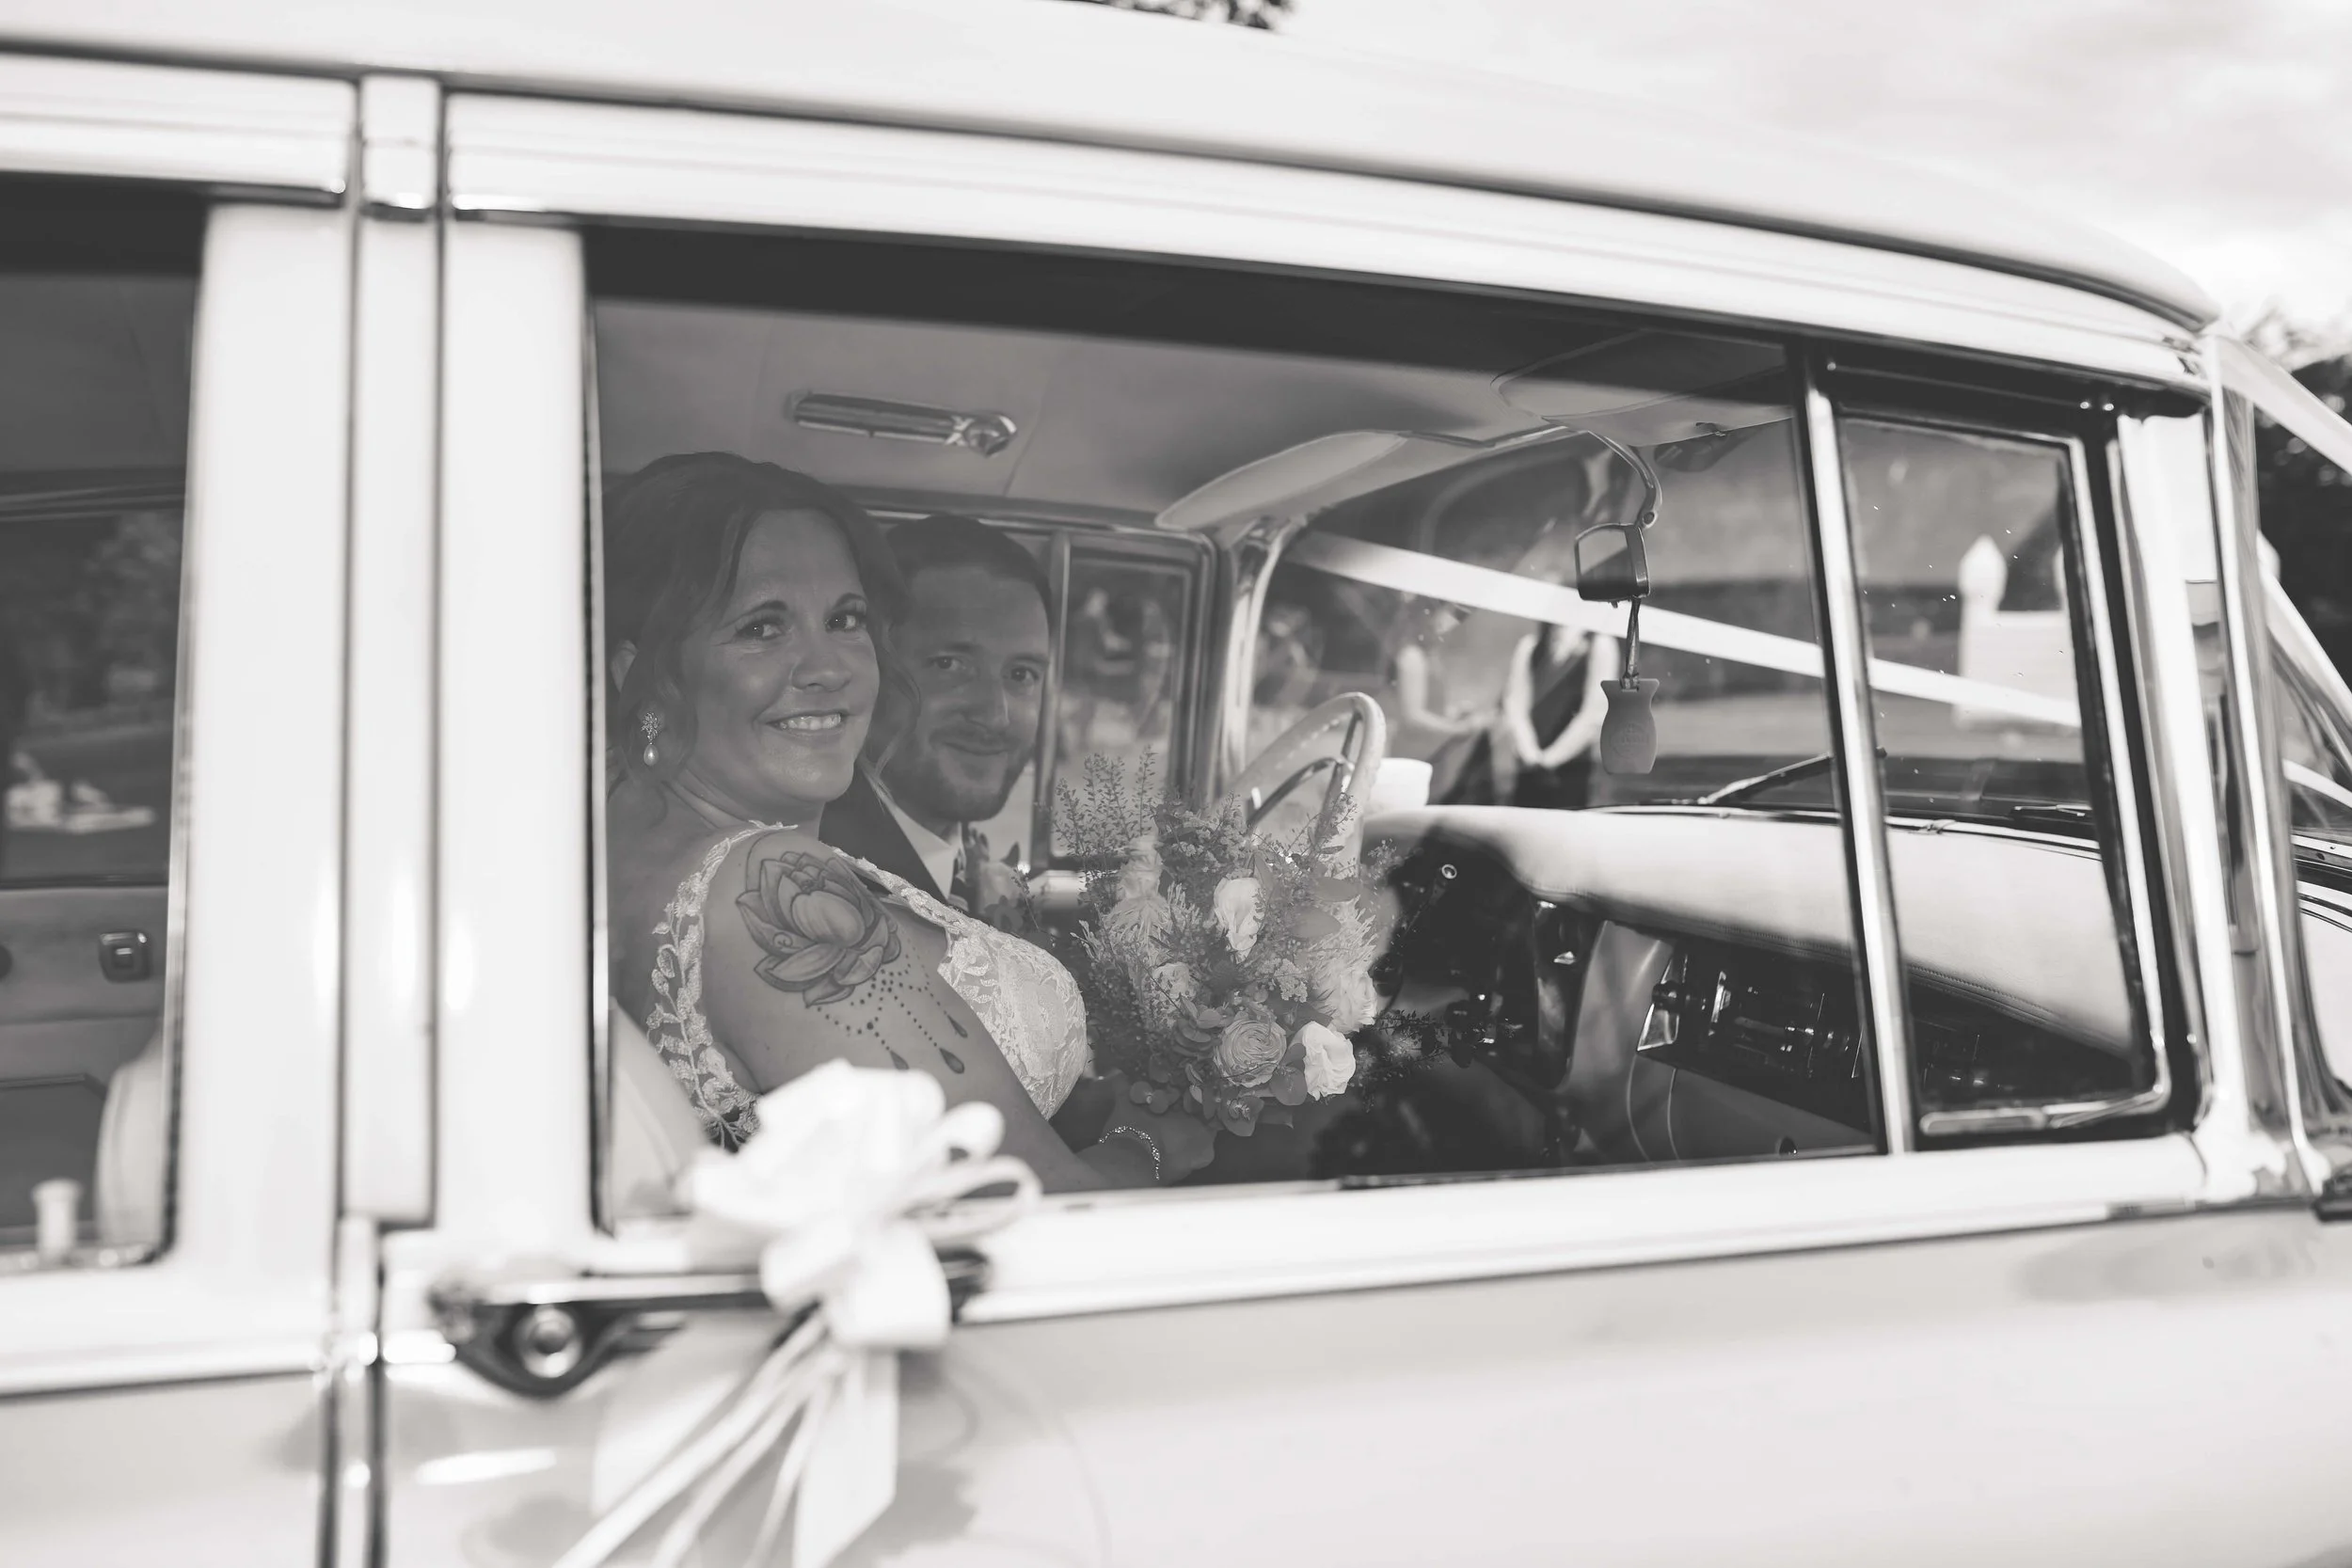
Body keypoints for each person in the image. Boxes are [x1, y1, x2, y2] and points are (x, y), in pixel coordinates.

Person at [602, 454, 1212, 1190]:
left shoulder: (625, 843)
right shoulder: (771, 889)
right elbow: (1024, 1213)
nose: (829, 666)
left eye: (845, 619)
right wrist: (1145, 1144)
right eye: (763, 627)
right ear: (639, 674)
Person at [819, 515, 1048, 922]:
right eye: (951, 665)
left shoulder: (964, 862)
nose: (996, 716)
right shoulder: (824, 882)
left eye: (1021, 675)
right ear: (869, 668)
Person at [1497, 623, 1618, 809]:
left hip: (1571, 771)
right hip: (1528, 770)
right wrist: (1531, 756)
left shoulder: (1599, 645)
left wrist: (1550, 759)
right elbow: (1515, 704)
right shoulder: (1530, 646)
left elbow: (1594, 714)